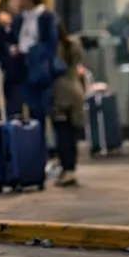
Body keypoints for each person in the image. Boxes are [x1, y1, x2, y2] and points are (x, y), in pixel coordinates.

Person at [50, 22, 86, 187]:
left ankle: (67, 170)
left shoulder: (54, 48)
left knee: (62, 132)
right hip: (75, 89)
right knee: (72, 133)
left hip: (60, 93)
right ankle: (71, 169)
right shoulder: (73, 44)